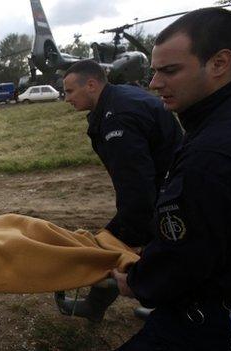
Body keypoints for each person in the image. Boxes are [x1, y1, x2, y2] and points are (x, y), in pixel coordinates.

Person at [112, 8, 231, 349]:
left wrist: (138, 282)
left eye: (169, 71)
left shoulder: (210, 156)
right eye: (154, 71)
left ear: (219, 63)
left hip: (215, 319)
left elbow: (185, 255)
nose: (154, 83)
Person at [58, 59, 183, 322]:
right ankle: (104, 305)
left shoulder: (120, 117)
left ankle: (164, 308)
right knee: (164, 251)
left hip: (168, 194)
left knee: (113, 244)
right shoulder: (117, 101)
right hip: (170, 187)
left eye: (69, 91)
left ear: (91, 85)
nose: (65, 98)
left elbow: (136, 185)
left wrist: (128, 230)